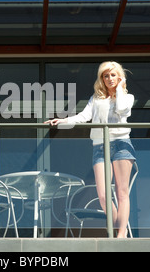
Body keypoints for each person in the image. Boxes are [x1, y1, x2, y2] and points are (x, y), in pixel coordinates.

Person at [45, 61, 136, 238]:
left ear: (120, 77)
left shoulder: (127, 97)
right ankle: (118, 227)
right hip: (99, 147)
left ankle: (121, 233)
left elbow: (121, 109)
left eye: (113, 75)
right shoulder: (96, 98)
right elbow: (84, 116)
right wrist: (63, 121)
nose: (109, 78)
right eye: (106, 75)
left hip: (121, 144)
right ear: (102, 78)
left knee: (121, 192)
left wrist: (119, 89)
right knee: (103, 195)